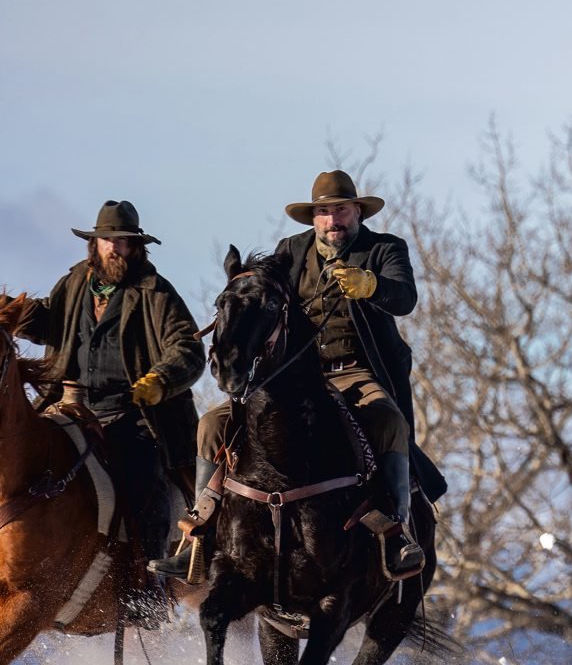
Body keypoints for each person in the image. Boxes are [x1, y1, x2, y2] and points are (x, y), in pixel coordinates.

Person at [154, 171, 430, 580]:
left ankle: (397, 533)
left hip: (356, 372)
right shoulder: (290, 251)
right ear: (312, 219)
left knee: (389, 421)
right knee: (211, 425)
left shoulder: (385, 249)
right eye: (324, 212)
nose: (333, 220)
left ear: (357, 211)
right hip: (293, 376)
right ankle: (199, 534)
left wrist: (371, 284)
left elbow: (404, 297)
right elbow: (260, 298)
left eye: (340, 210)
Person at [17, 201, 203, 574]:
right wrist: (11, 310)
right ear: (95, 243)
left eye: (121, 241)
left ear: (136, 247)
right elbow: (48, 321)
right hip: (69, 405)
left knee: (144, 483)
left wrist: (160, 381)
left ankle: (149, 585)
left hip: (135, 414)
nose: (113, 247)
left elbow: (188, 347)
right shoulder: (74, 282)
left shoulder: (155, 291)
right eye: (106, 240)